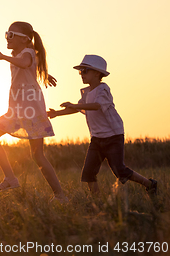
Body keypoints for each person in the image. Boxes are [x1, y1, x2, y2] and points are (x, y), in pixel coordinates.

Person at [47, 55, 157, 196]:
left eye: (85, 71)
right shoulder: (86, 93)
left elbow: (97, 106)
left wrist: (74, 104)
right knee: (88, 173)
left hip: (113, 136)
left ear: (97, 73)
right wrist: (56, 113)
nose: (81, 74)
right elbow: (77, 108)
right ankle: (97, 202)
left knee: (119, 171)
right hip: (97, 138)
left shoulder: (103, 89)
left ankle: (150, 184)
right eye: (80, 72)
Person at [0, 21, 68, 203]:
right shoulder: (24, 53)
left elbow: (25, 63)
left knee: (38, 156)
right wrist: (44, 73)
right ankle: (10, 178)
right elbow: (29, 65)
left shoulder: (27, 53)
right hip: (17, 109)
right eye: (6, 34)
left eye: (11, 35)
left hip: (30, 109)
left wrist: (4, 57)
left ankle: (60, 195)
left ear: (24, 39)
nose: (7, 38)